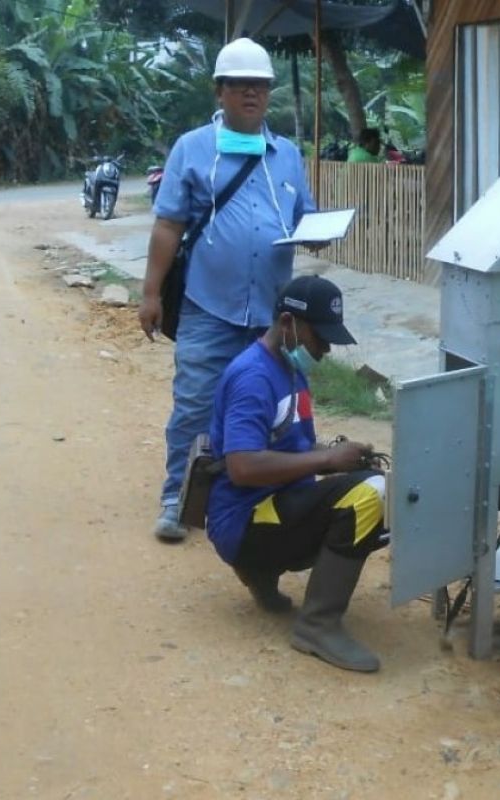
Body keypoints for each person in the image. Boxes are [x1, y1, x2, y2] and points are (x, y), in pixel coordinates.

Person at [139, 37, 316, 542]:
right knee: (195, 402)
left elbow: (303, 213)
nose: (251, 95)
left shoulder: (285, 155)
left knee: (268, 405)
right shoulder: (192, 148)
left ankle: (261, 496)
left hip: (270, 313)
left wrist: (323, 230)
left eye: (260, 86)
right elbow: (168, 226)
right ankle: (178, 498)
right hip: (207, 305)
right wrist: (151, 294)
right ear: (219, 92)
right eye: (240, 86)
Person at [207, 275, 389, 673]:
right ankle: (317, 626)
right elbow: (242, 466)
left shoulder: (288, 368)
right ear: (288, 323)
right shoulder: (254, 377)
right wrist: (326, 462)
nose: (324, 349)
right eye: (319, 337)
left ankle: (261, 572)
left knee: (367, 485)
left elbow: (294, 448)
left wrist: (341, 456)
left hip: (271, 507)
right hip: (244, 520)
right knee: (369, 496)